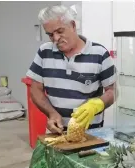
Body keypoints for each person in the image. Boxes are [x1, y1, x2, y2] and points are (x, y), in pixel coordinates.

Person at [26, 5, 116, 134]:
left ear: (73, 25)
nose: (56, 39)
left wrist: (97, 104)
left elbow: (113, 90)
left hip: (91, 134)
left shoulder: (99, 53)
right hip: (57, 132)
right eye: (50, 35)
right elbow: (35, 89)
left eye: (60, 31)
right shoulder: (44, 52)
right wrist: (51, 113)